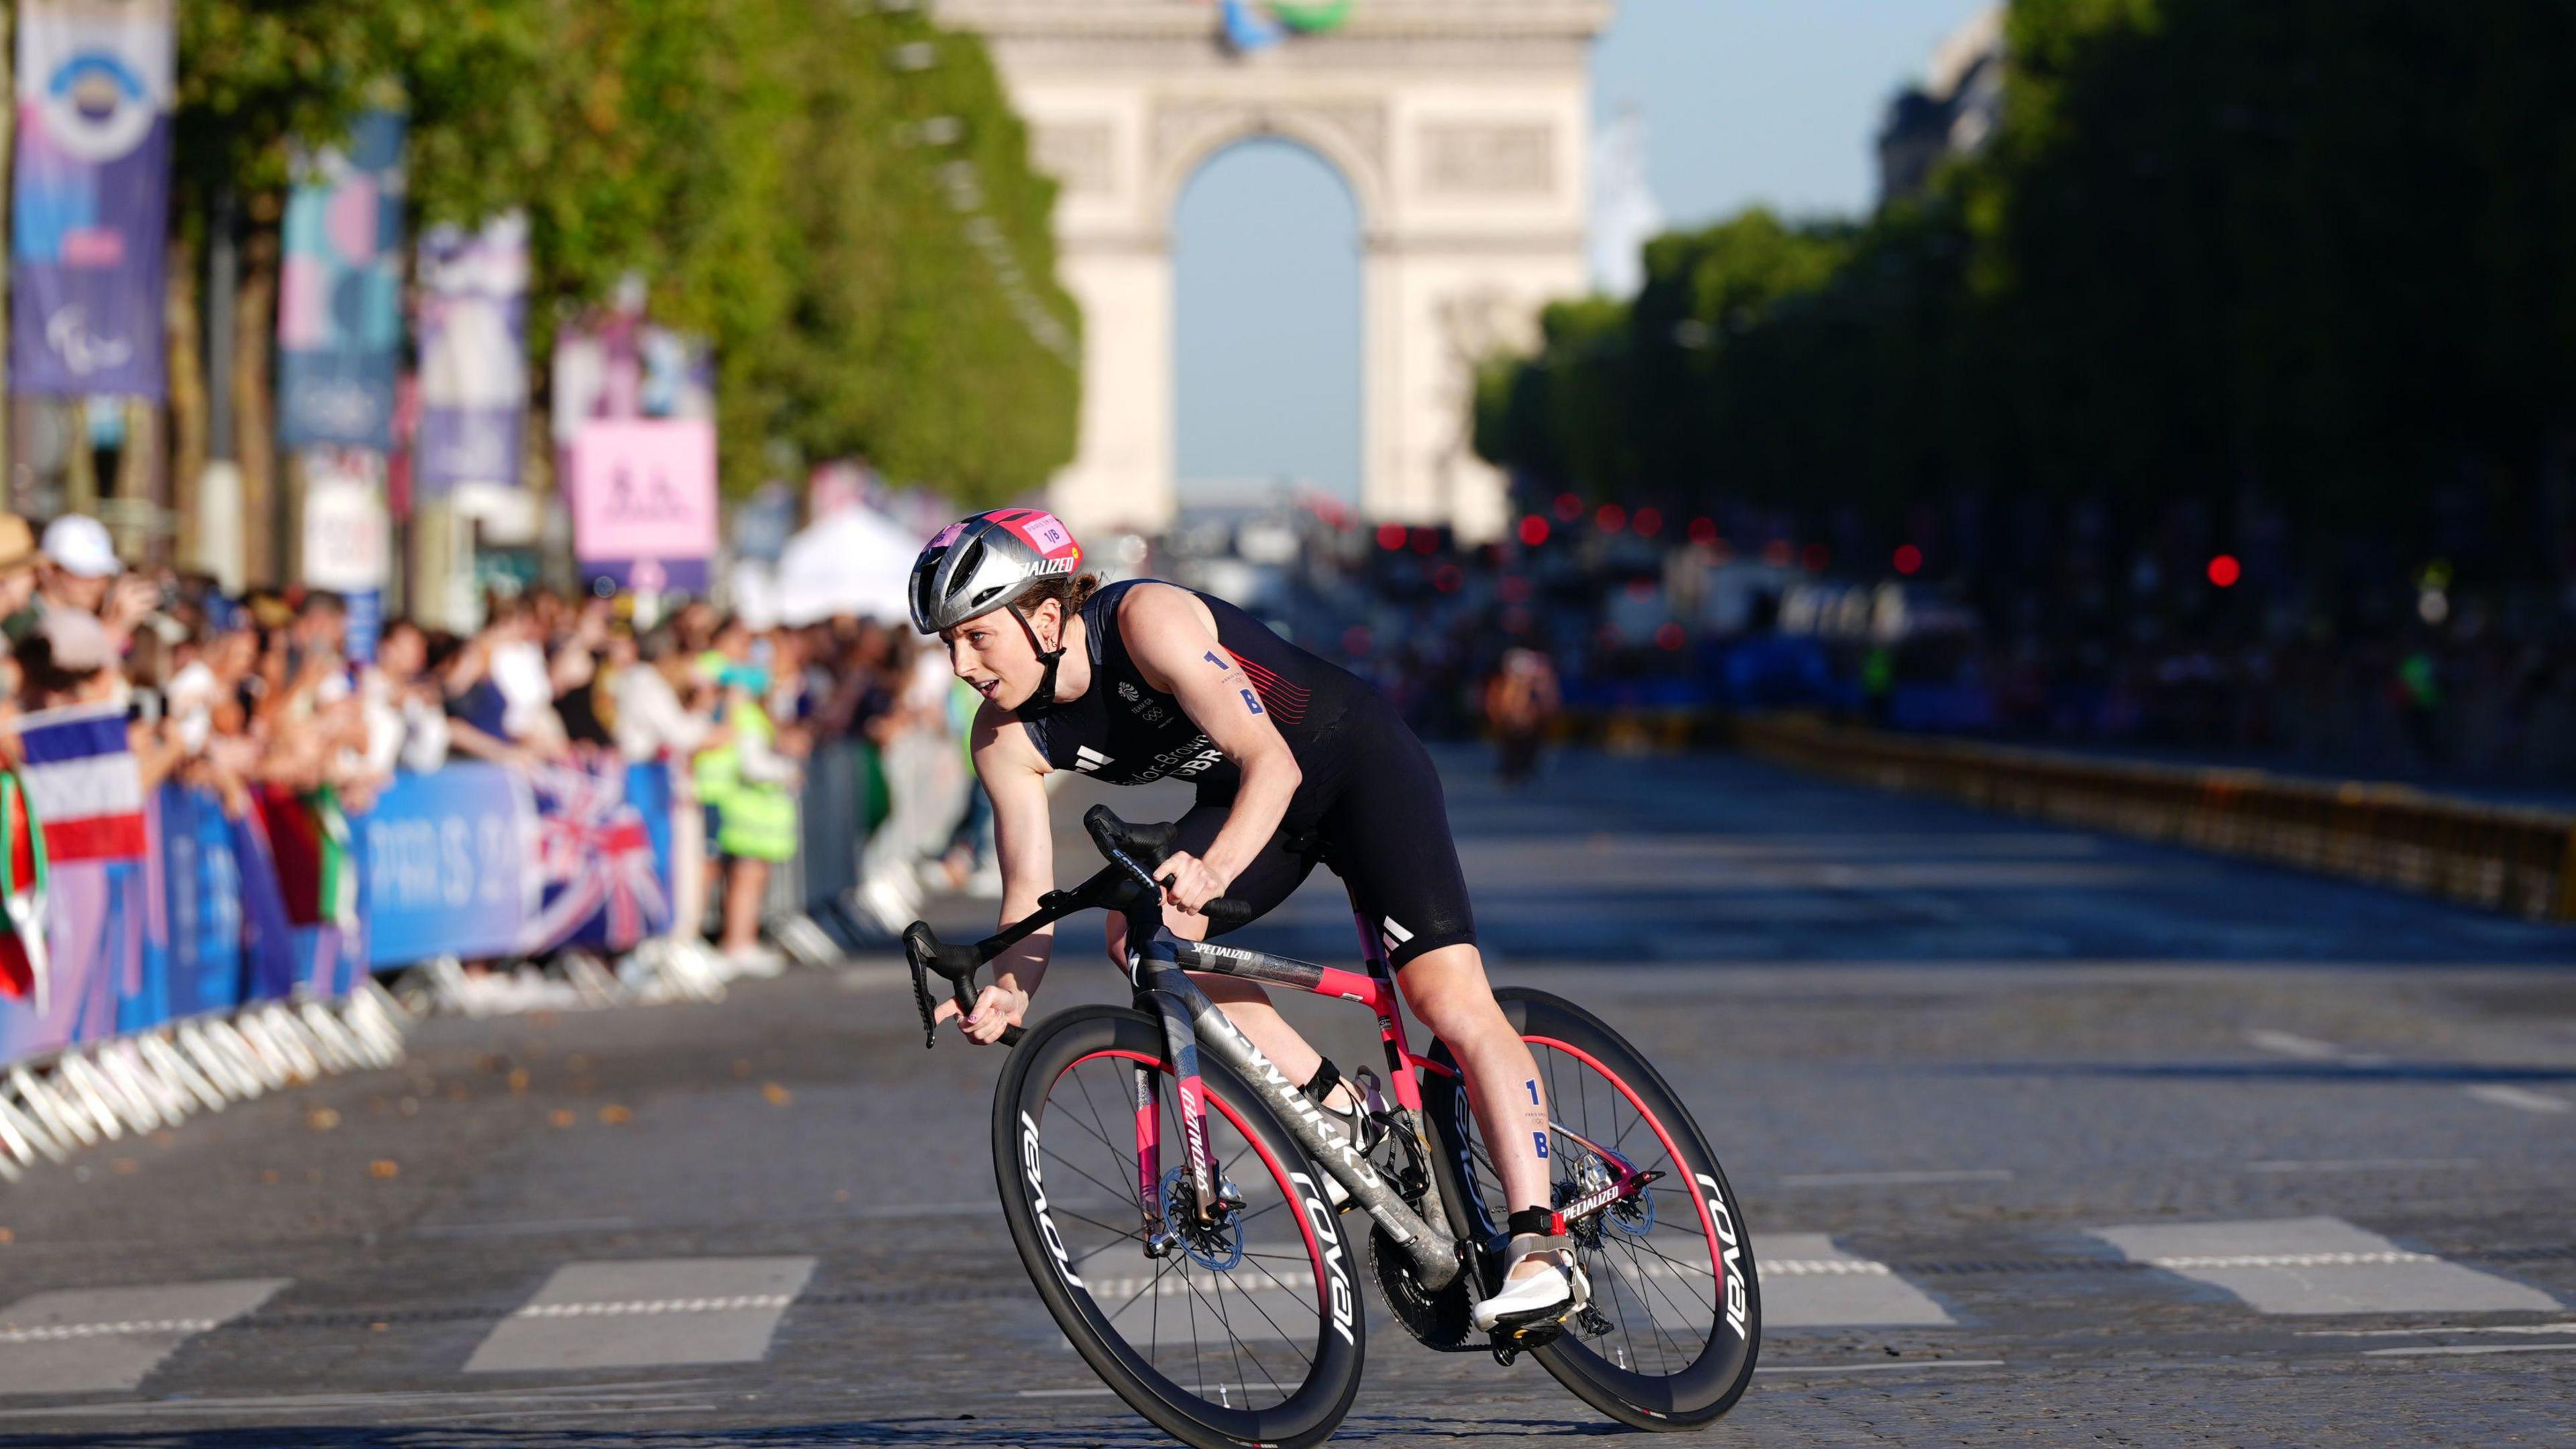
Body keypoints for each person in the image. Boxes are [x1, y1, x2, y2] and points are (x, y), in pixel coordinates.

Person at [912, 508, 1590, 1336]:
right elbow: (1028, 886)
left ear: (1046, 614)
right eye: (945, 644)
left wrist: (1216, 868)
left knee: (1446, 997)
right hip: (1246, 803)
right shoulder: (1003, 737)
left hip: (1352, 765)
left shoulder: (1146, 622)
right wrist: (1013, 990)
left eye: (976, 637)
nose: (959, 664)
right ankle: (1341, 1107)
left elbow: (1272, 759)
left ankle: (1541, 1248)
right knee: (1139, 937)